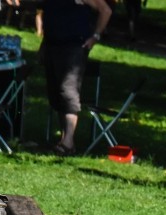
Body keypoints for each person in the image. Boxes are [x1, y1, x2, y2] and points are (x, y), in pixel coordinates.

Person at [40, 0, 112, 156]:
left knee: (68, 90)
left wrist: (95, 37)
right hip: (52, 44)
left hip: (73, 47)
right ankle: (64, 140)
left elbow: (105, 10)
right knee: (56, 94)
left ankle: (68, 141)